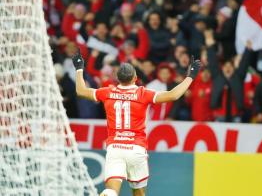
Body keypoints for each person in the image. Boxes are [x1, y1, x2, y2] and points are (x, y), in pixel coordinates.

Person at [72, 51, 201, 196]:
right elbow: (173, 95)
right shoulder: (142, 93)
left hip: (115, 148)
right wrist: (191, 76)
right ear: (135, 78)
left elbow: (81, 91)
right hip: (136, 149)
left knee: (111, 190)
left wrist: (79, 68)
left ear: (117, 78)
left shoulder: (107, 92)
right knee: (139, 193)